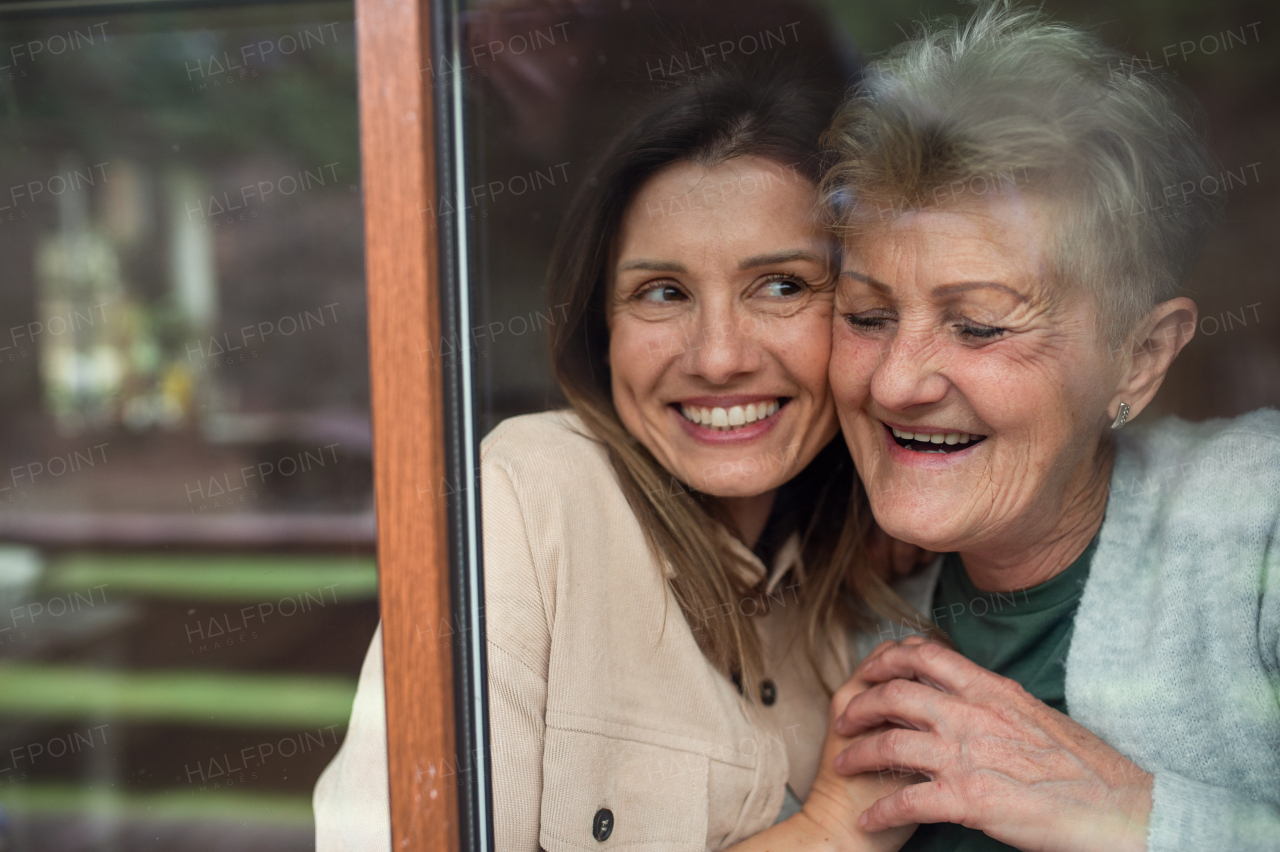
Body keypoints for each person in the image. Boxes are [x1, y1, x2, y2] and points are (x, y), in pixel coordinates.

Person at [315, 72, 926, 852]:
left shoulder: (856, 567)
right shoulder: (526, 499)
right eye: (663, 293)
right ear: (602, 329)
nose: (717, 359)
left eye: (780, 285)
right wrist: (827, 836)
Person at [818, 5, 1280, 852]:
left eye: (982, 326)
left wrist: (1132, 815)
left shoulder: (1258, 524)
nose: (895, 381)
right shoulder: (831, 593)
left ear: (1140, 359)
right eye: (867, 313)